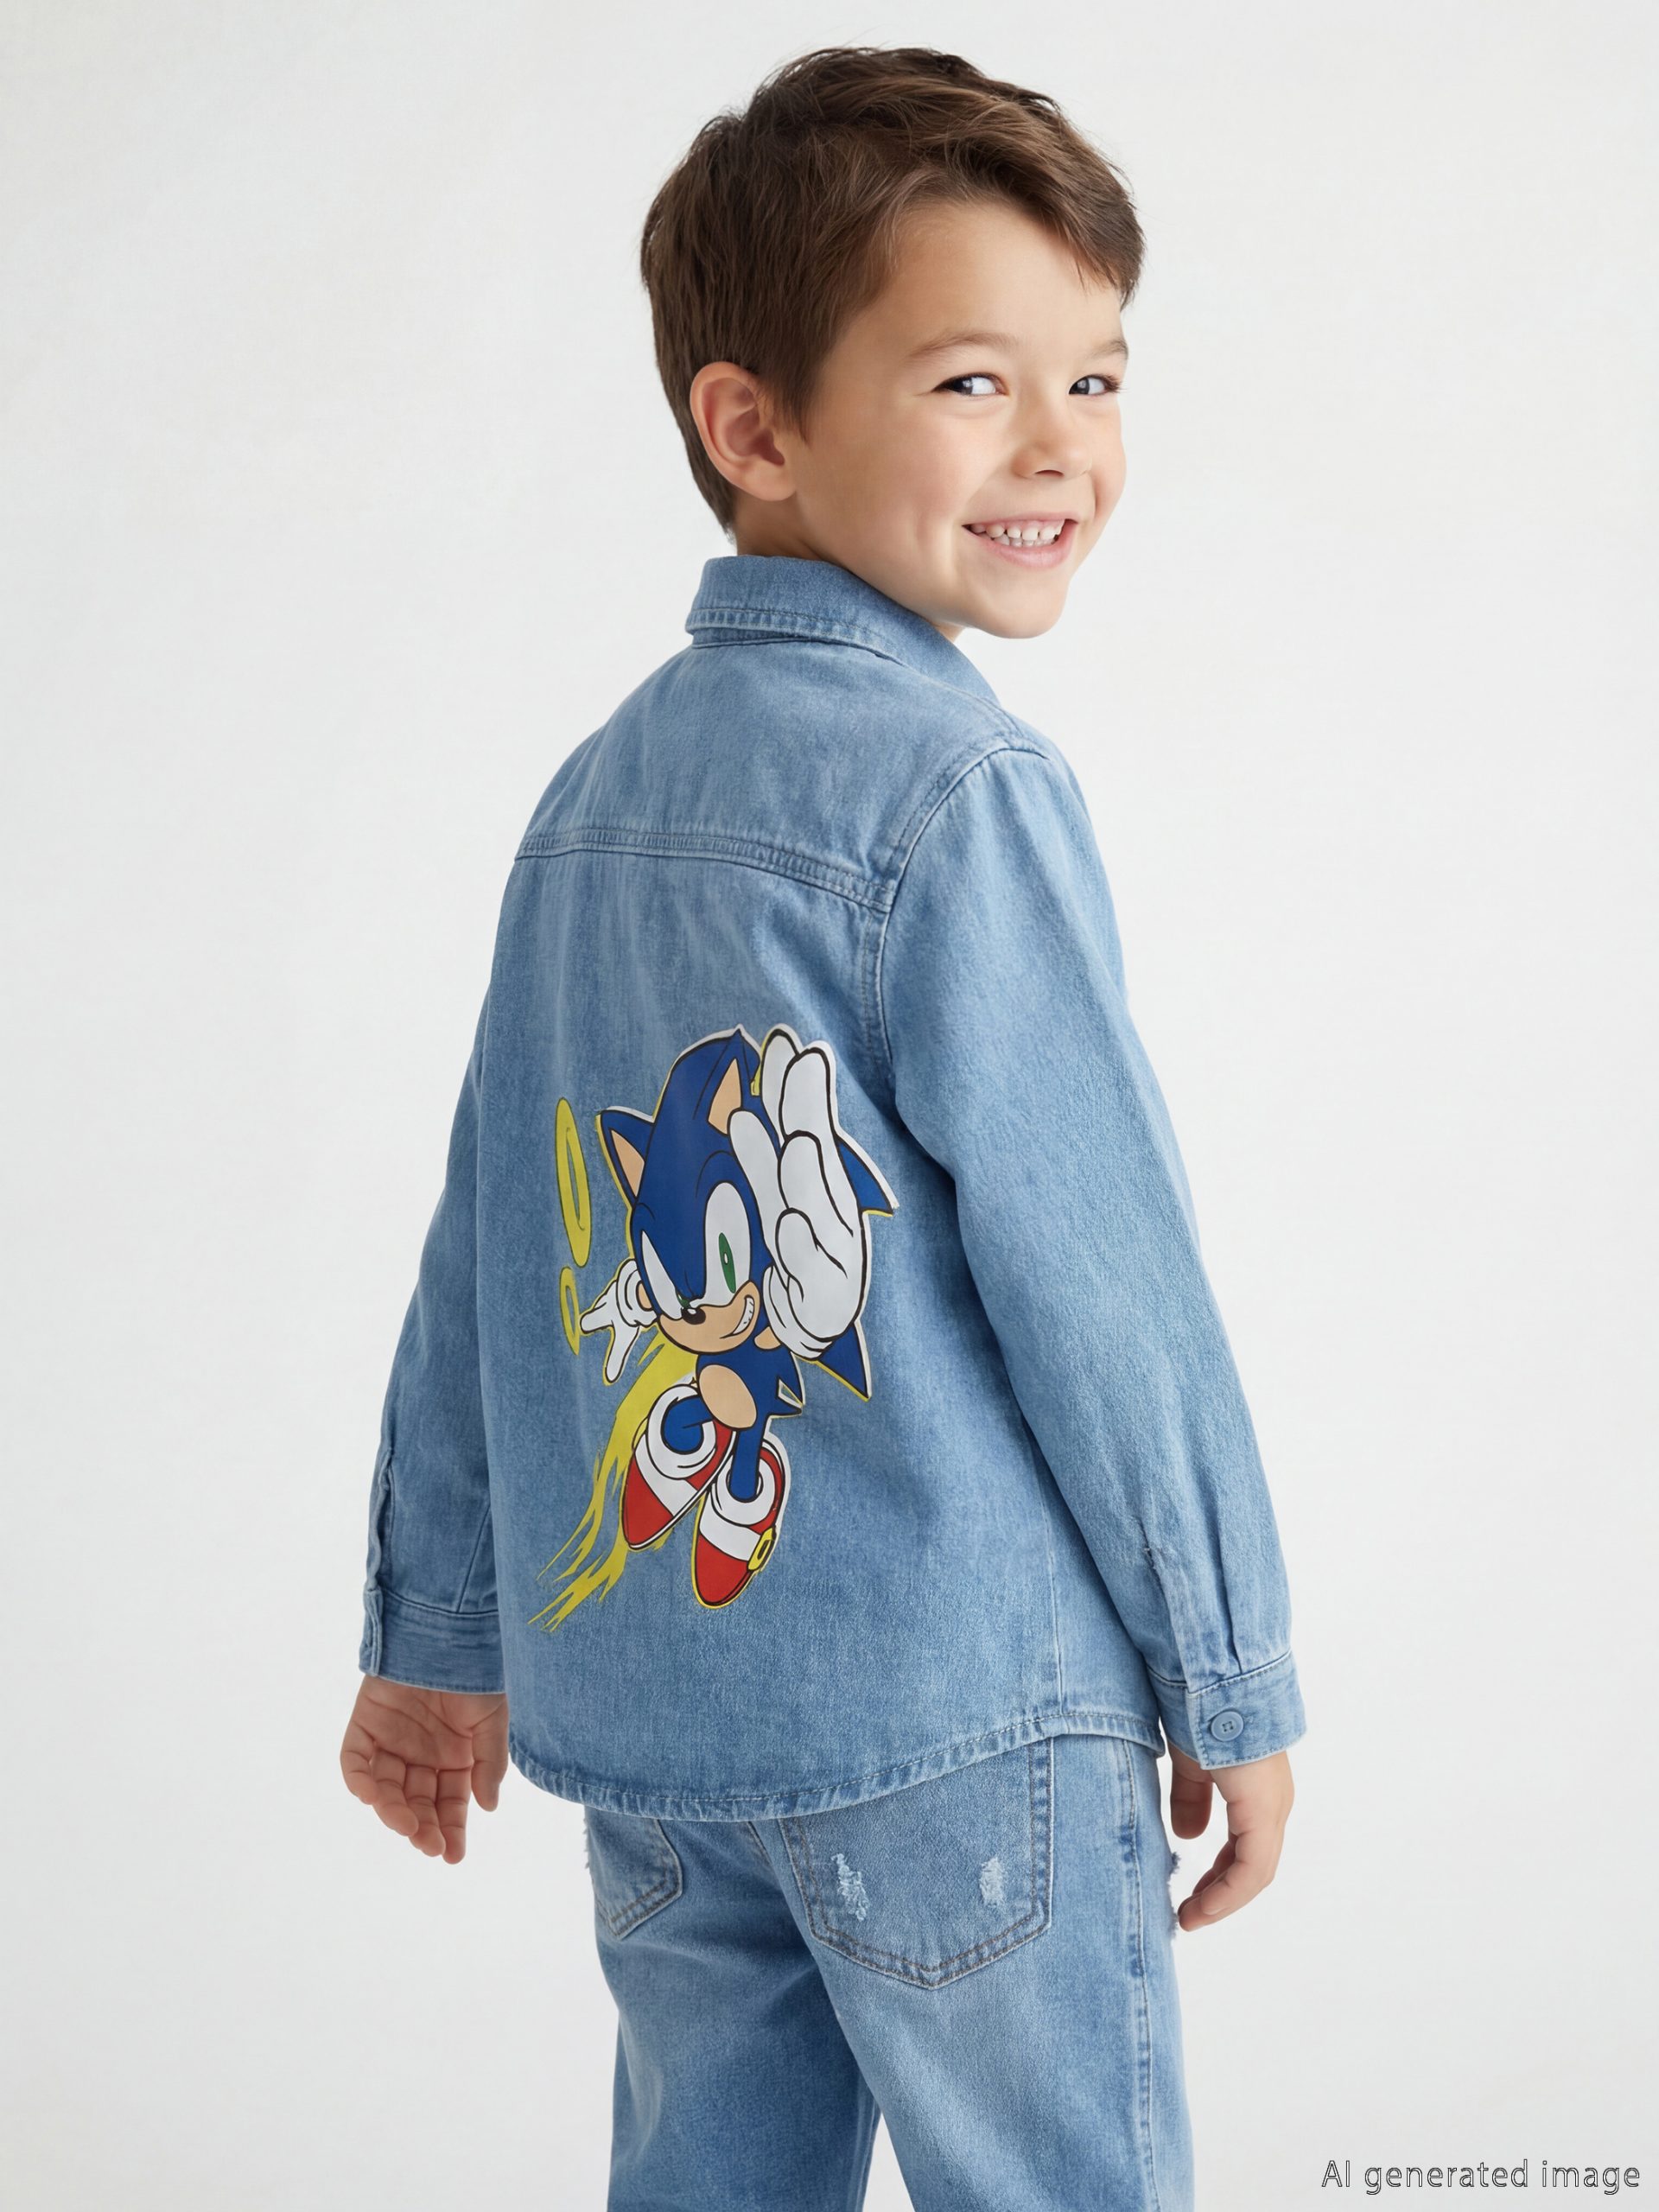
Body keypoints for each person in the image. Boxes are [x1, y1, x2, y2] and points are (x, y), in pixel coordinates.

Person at [339, 43, 1306, 2212]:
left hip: (669, 1728)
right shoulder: (962, 793)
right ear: (754, 427)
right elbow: (1106, 1282)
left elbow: (499, 1249)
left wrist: (434, 1632)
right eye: (975, 382)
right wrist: (1231, 1664)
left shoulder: (591, 802)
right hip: (965, 1724)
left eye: (1099, 378)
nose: (1061, 447)